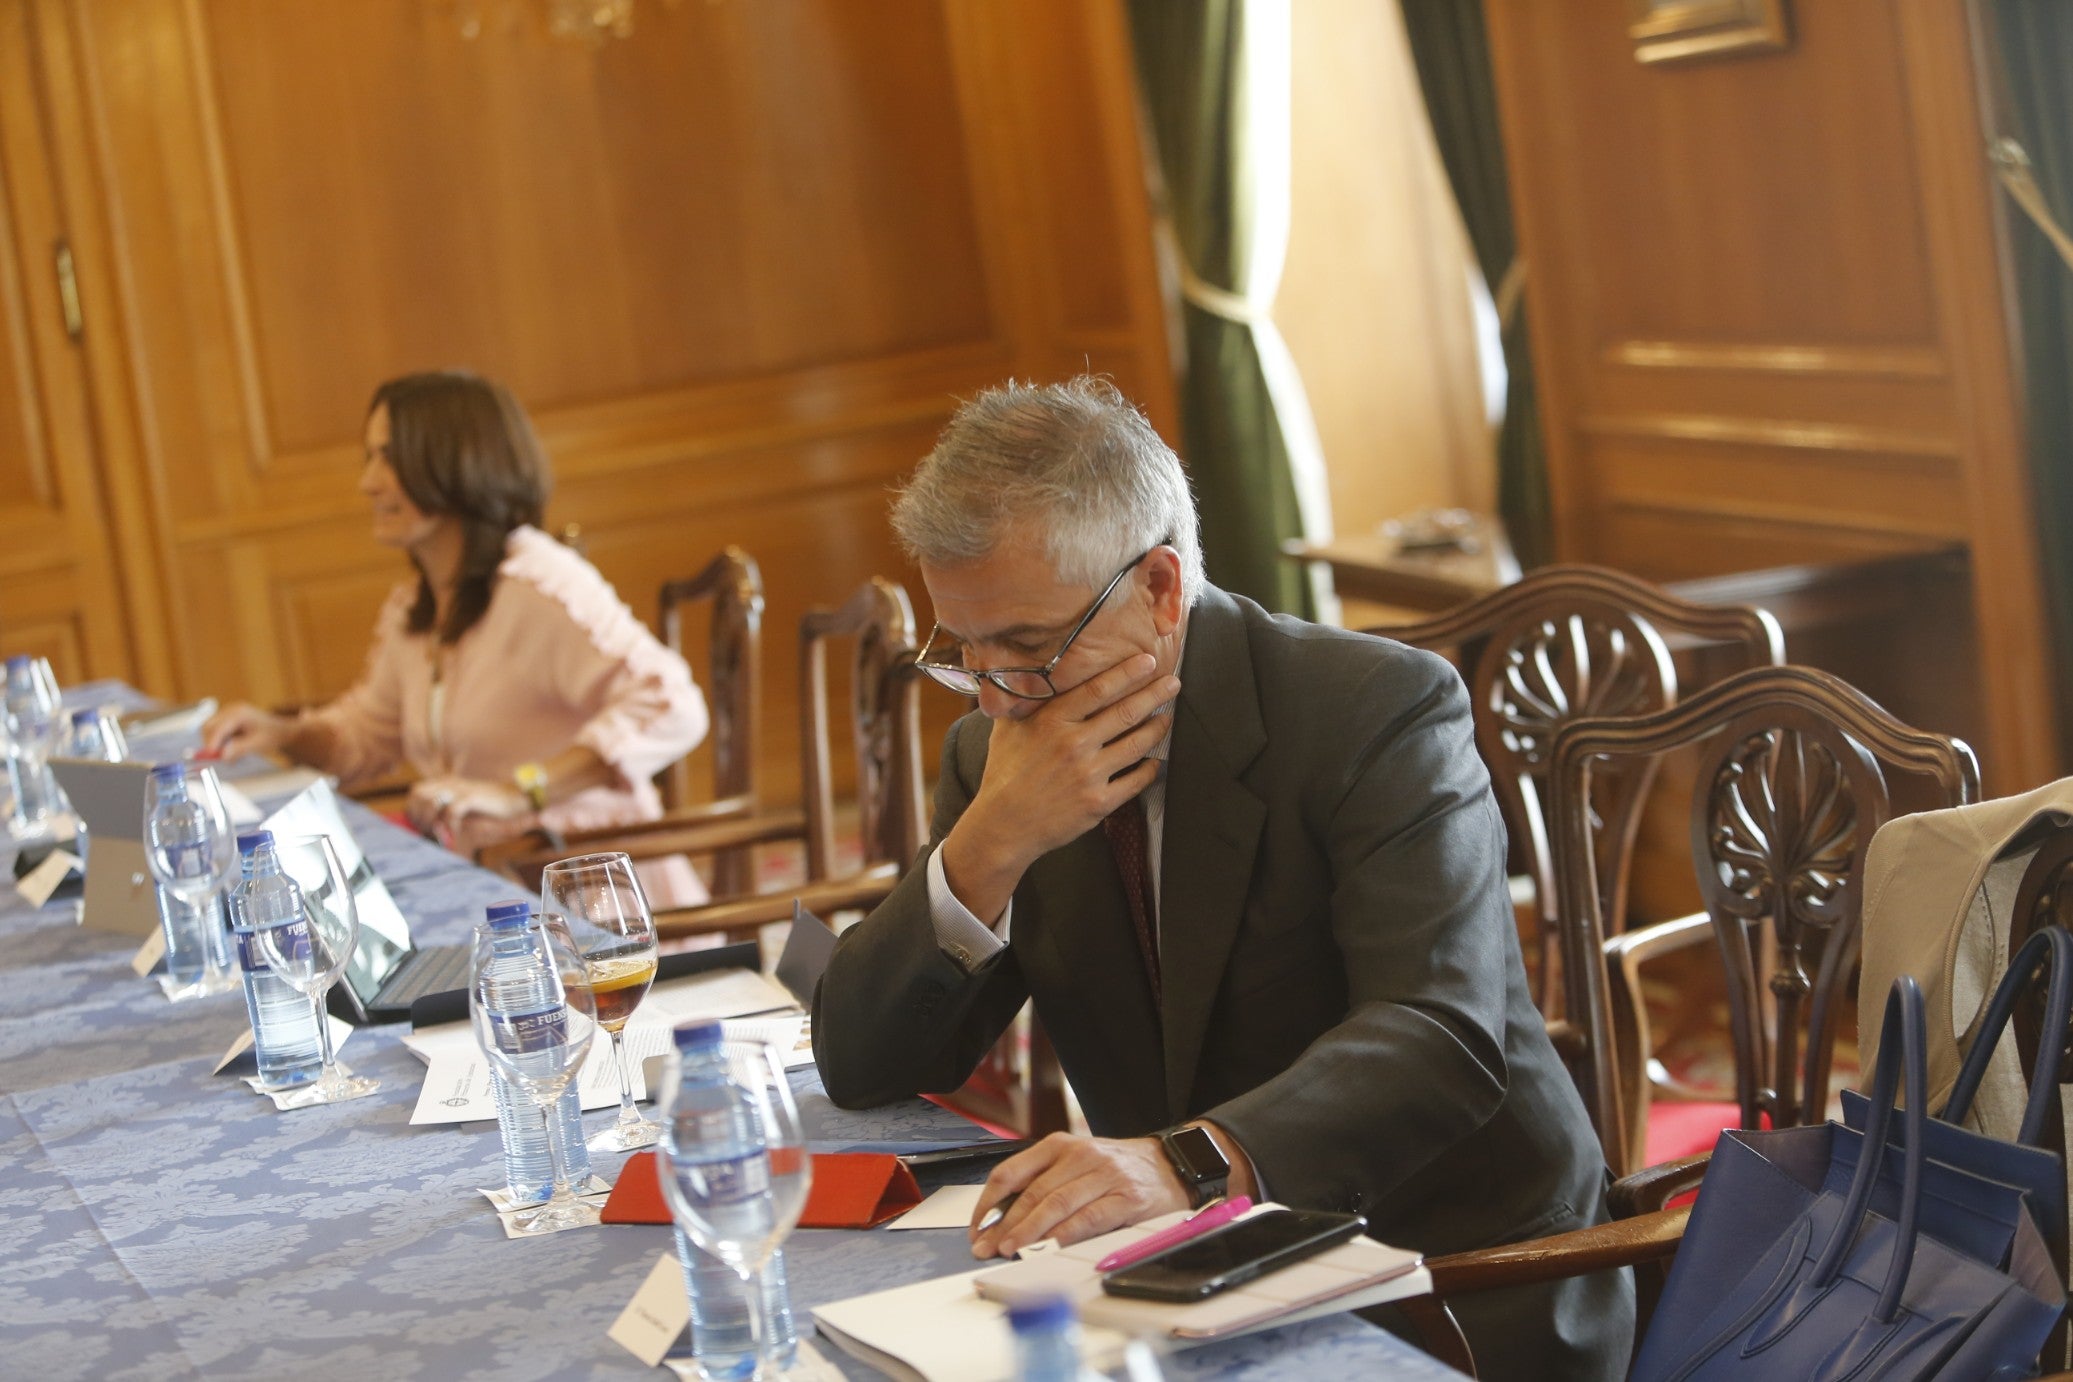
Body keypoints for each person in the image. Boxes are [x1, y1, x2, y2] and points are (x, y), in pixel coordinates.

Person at [811, 377, 1632, 1379]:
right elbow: (864, 1064)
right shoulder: (999, 758)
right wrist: (986, 847)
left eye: (1027, 646)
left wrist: (1188, 1162)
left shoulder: (1375, 709)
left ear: (1160, 589)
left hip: (1448, 1273)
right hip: (1181, 1276)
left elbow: (1436, 1032)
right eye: (964, 651)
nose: (994, 698)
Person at [202, 369, 709, 905]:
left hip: (598, 906)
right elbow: (364, 737)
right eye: (369, 458)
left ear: (457, 463)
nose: (368, 482)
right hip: (497, 888)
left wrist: (519, 792)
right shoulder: (417, 607)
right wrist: (282, 733)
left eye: (390, 458)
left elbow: (673, 705)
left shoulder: (537, 584)